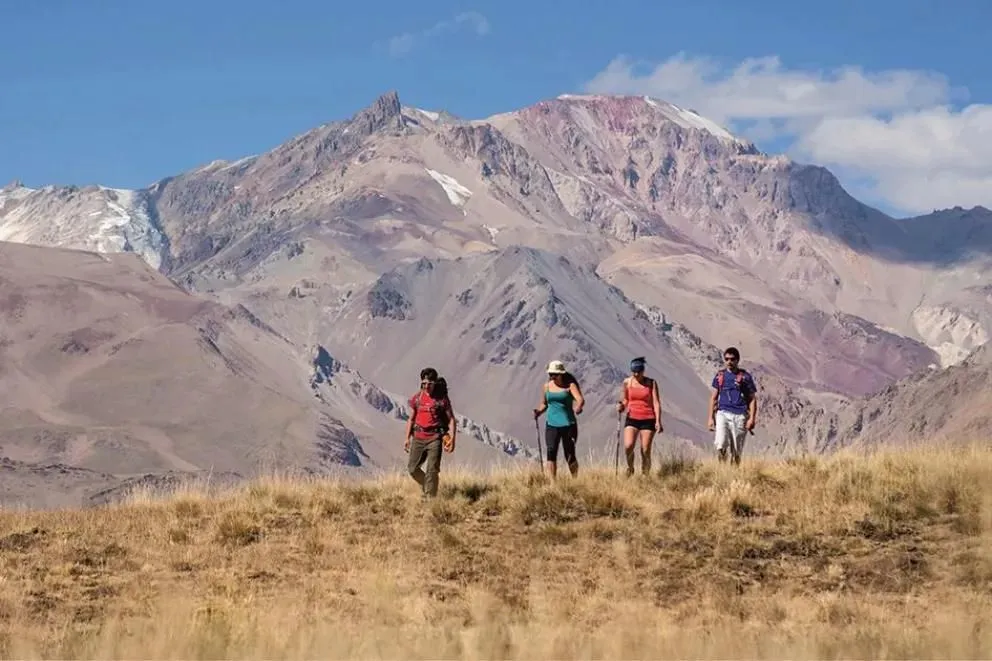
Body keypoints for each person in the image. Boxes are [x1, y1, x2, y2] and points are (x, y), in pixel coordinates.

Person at [405, 367, 456, 498]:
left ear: (434, 383)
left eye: (430, 383)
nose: (427, 386)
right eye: (424, 383)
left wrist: (452, 439)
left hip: (435, 438)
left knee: (432, 470)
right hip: (418, 437)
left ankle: (430, 499)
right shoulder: (417, 398)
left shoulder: (441, 400)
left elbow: (451, 419)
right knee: (412, 469)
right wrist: (407, 438)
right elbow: (411, 419)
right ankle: (427, 486)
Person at [533, 360, 584, 478]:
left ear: (561, 374)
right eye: (550, 374)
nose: (552, 377)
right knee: (551, 451)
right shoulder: (547, 386)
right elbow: (544, 403)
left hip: (568, 424)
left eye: (554, 374)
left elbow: (580, 399)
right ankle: (553, 483)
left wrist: (578, 407)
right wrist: (539, 411)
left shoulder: (570, 386)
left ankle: (575, 479)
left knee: (569, 453)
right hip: (552, 424)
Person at [707, 346, 757, 465]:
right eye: (727, 359)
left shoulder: (745, 377)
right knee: (721, 443)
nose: (729, 362)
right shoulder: (720, 376)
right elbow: (714, 398)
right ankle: (722, 469)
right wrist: (710, 418)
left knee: (737, 449)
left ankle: (734, 471)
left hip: (740, 415)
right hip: (722, 413)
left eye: (732, 359)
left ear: (737, 360)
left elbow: (752, 399)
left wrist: (752, 418)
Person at [616, 356, 662, 476]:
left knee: (645, 449)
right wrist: (622, 406)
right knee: (628, 446)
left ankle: (645, 474)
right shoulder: (627, 382)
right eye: (634, 372)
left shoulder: (651, 383)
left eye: (639, 372)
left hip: (648, 418)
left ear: (643, 371)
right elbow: (626, 399)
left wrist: (658, 421)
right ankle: (630, 468)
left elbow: (656, 402)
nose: (636, 374)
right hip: (632, 417)